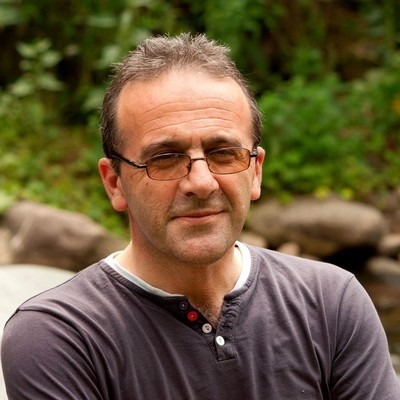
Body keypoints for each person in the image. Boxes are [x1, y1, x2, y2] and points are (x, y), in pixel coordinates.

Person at [1, 33, 399, 400]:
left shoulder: (331, 303)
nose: (202, 183)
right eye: (165, 158)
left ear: (255, 171)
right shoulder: (59, 336)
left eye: (224, 153)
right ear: (115, 183)